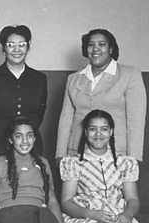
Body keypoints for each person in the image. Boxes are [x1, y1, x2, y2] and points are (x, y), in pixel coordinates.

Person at [60, 110, 146, 223]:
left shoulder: (124, 163)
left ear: (111, 131)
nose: (98, 134)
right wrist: (92, 214)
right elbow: (66, 202)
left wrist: (127, 214)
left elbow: (133, 199)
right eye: (92, 129)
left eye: (104, 129)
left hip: (119, 214)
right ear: (85, 132)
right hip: (85, 216)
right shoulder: (74, 163)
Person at [56, 29, 146, 162]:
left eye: (102, 44)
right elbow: (66, 120)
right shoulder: (73, 79)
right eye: (91, 44)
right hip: (77, 153)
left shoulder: (130, 75)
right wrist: (60, 155)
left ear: (111, 49)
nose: (95, 49)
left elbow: (136, 122)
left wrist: (133, 158)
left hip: (116, 154)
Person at [0, 25, 47, 183]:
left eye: (22, 44)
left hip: (30, 148)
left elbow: (39, 115)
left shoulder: (39, 79)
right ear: (3, 49)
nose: (17, 49)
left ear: (28, 48)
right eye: (11, 45)